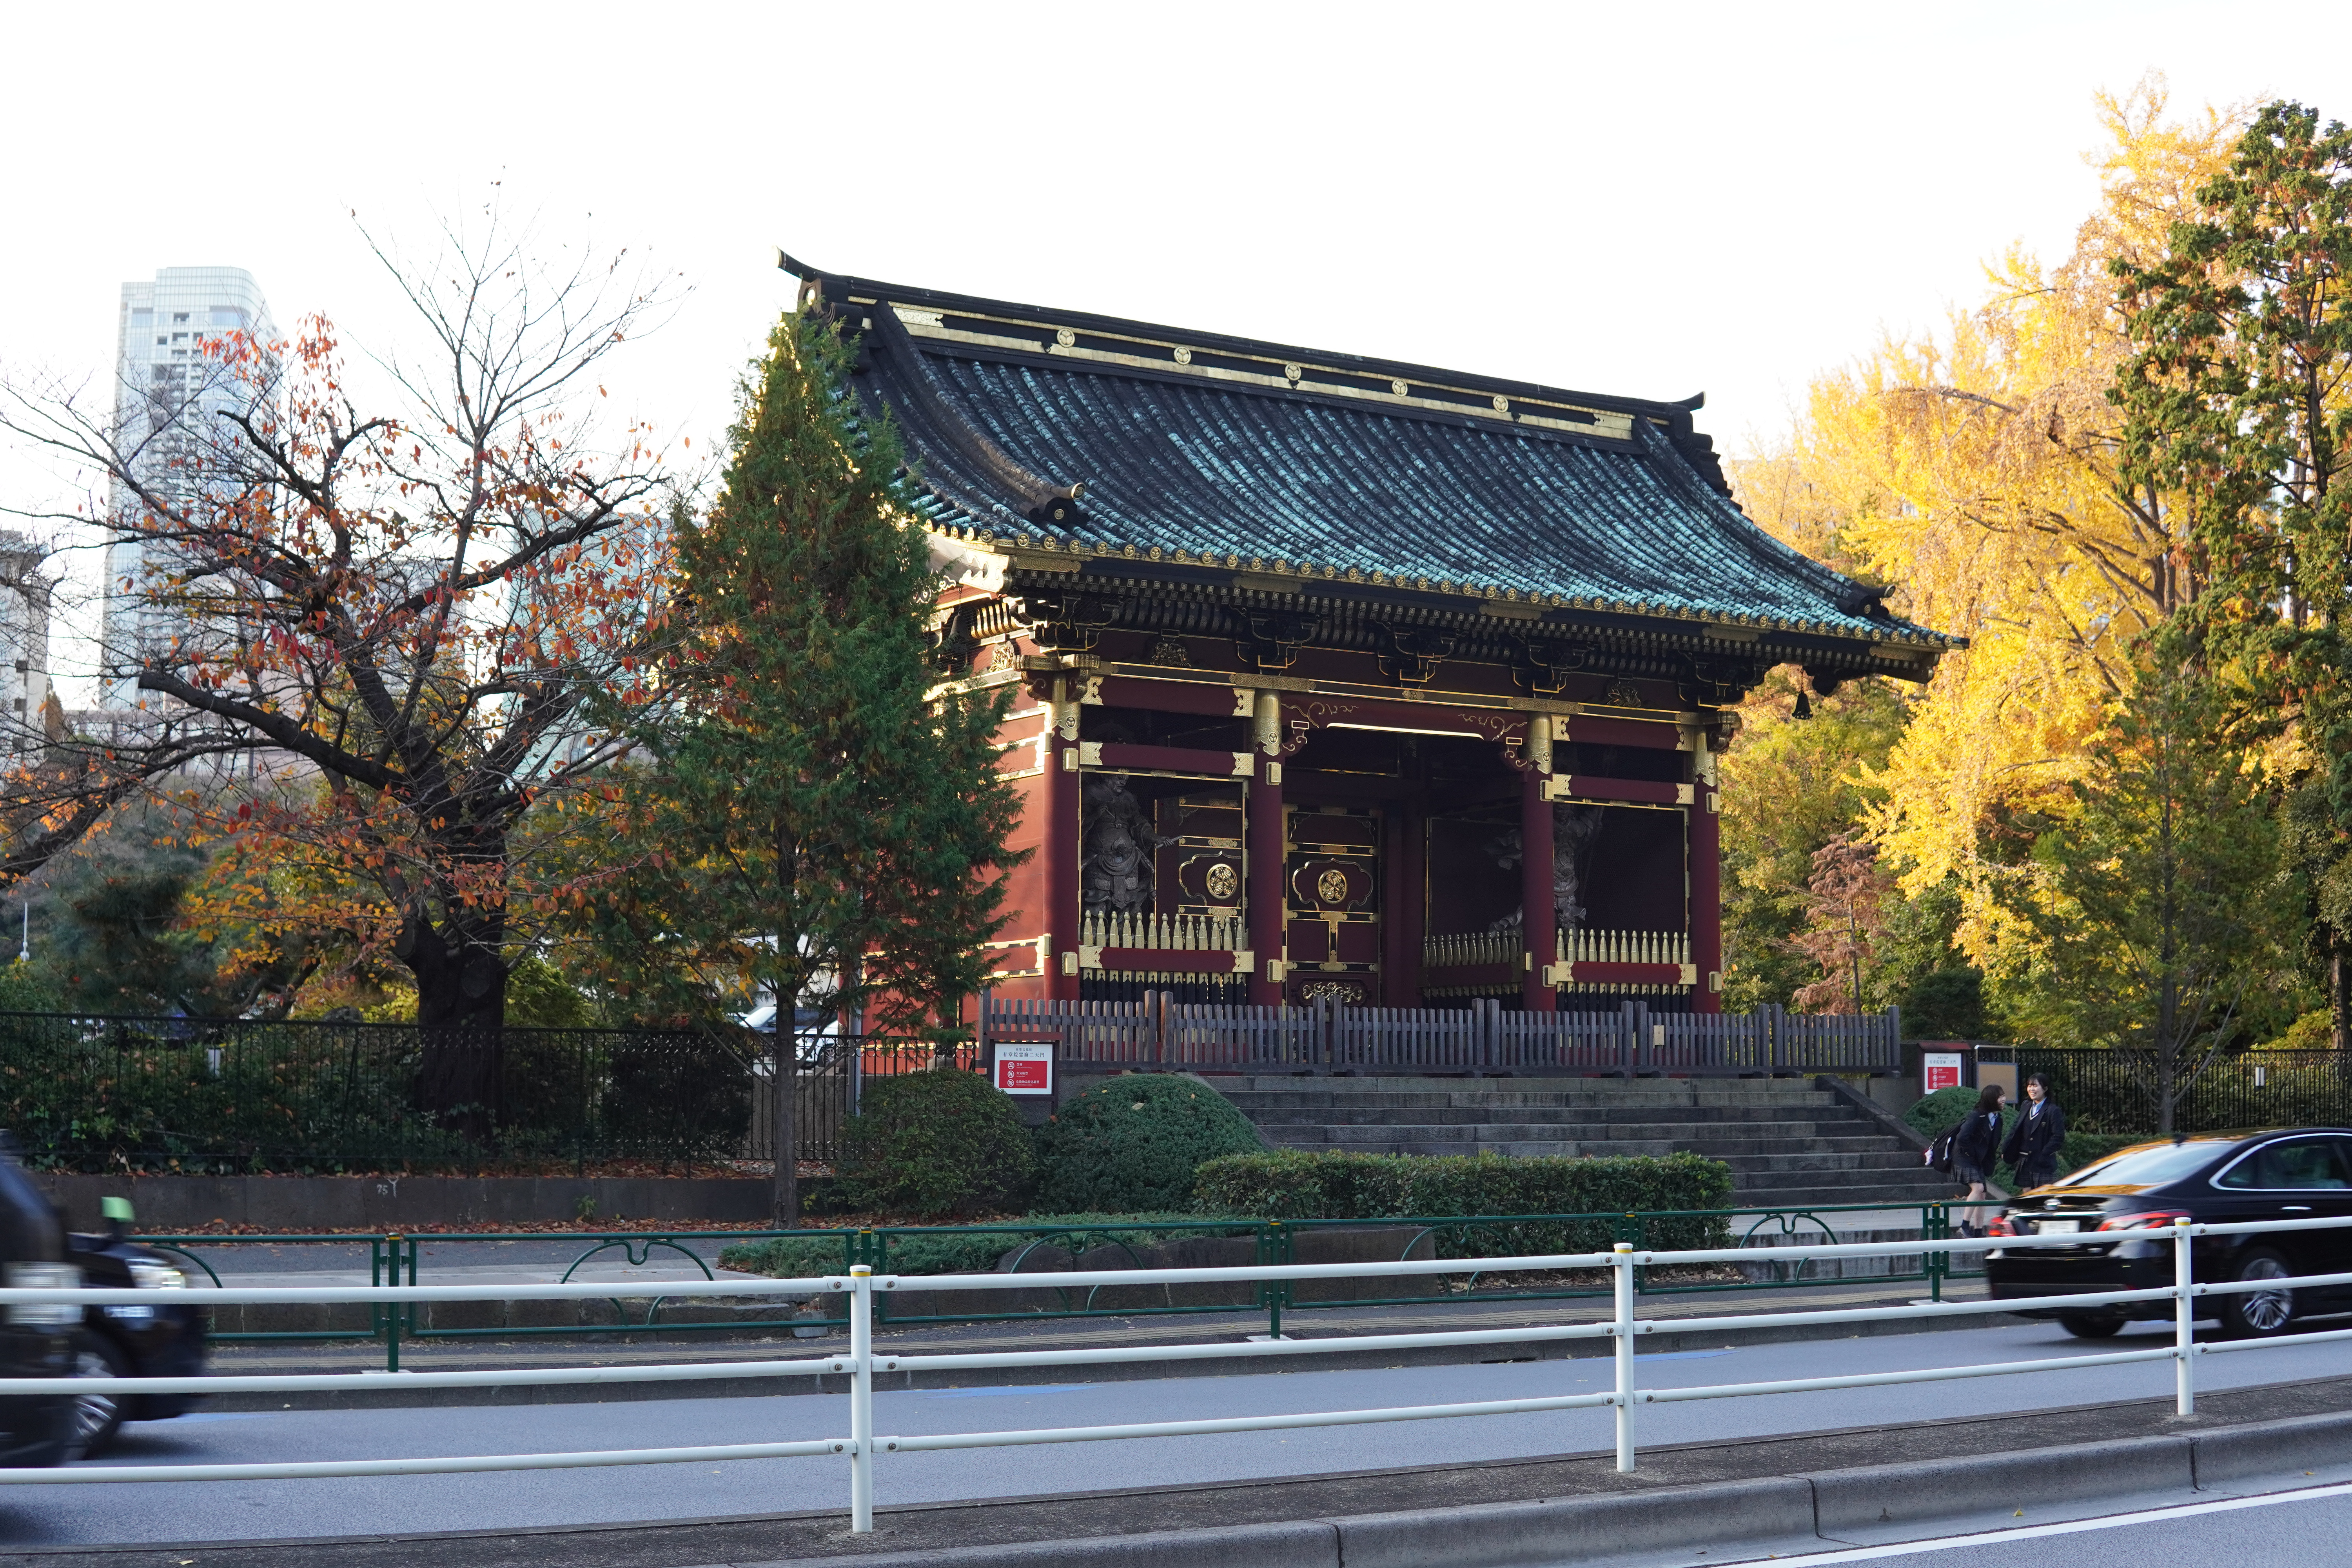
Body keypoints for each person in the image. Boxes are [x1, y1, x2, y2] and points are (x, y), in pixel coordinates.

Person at [1951, 1083, 2007, 1236]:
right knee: (1978, 1188)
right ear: (1990, 1099)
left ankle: (1978, 1231)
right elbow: (1962, 1138)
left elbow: (1992, 1145)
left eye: (2003, 1096)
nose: (2004, 1099)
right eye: (2000, 1097)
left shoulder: (1998, 1119)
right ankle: (1964, 1226)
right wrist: (1973, 1154)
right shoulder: (1977, 1115)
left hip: (1977, 1160)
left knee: (1982, 1195)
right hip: (1964, 1157)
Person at [2001, 1073, 2067, 1193]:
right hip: (2025, 1160)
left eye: (2035, 1086)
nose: (2032, 1089)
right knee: (2027, 1194)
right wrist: (2006, 1149)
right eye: (2030, 1086)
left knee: (2043, 1196)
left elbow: (2058, 1137)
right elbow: (2015, 1129)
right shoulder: (2026, 1106)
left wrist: (2044, 1153)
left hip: (2043, 1162)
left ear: (2045, 1088)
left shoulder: (2053, 1111)